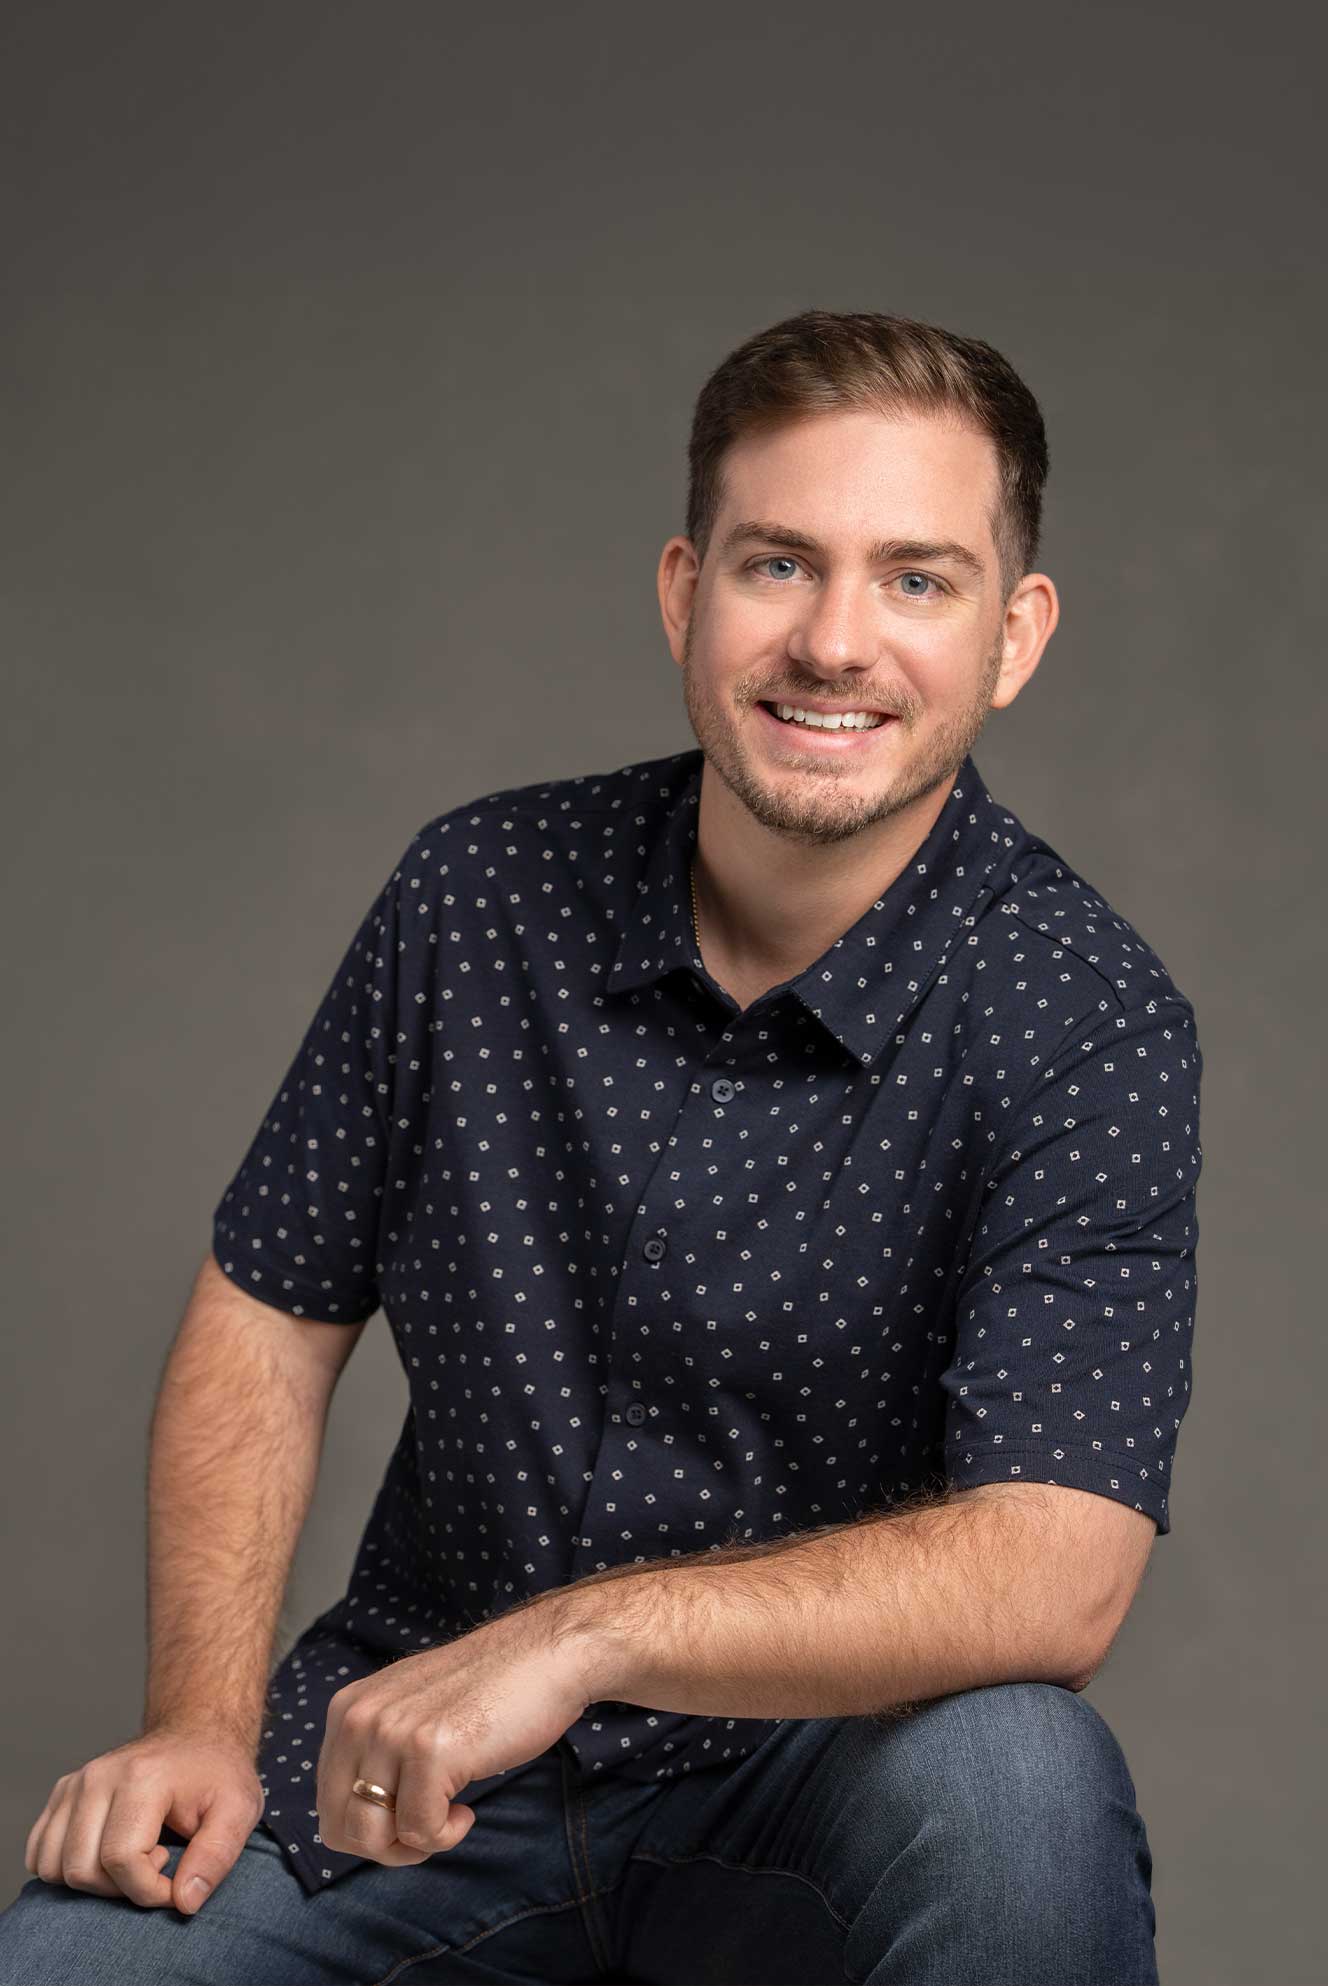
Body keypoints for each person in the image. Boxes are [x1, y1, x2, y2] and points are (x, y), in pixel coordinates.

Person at [1, 309, 1199, 1984]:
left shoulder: (1087, 1013)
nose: (836, 640)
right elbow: (264, 1314)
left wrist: (584, 1637)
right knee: (74, 1965)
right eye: (778, 563)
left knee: (1023, 1783)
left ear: (1015, 635)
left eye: (918, 578)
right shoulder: (475, 894)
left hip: (817, 1788)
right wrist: (197, 1720)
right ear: (681, 592)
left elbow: (1058, 1569)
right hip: (411, 1770)